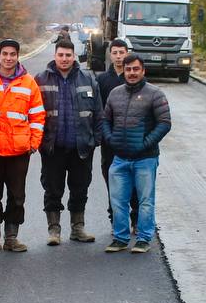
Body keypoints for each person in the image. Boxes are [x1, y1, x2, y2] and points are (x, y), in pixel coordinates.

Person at [0, 38, 45, 252]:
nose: (8, 58)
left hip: (18, 151)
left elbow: (37, 115)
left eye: (12, 54)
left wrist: (33, 143)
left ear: (17, 56)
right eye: (4, 54)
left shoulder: (28, 82)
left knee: (17, 197)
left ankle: (12, 238)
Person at [100, 54, 172, 254]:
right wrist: (111, 140)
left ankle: (143, 239)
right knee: (117, 200)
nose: (132, 73)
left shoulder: (155, 94)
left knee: (145, 201)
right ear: (123, 71)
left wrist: (144, 143)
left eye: (135, 69)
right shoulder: (115, 94)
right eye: (128, 69)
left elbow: (165, 123)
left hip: (145, 159)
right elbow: (105, 120)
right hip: (119, 158)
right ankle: (120, 238)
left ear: (143, 71)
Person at [34, 37, 99, 245]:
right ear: (54, 56)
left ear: (74, 56)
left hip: (81, 147)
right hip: (53, 148)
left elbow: (98, 112)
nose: (64, 59)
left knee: (80, 188)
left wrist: (95, 140)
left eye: (68, 55)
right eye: (60, 55)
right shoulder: (40, 79)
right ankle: (54, 230)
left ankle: (77, 228)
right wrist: (39, 142)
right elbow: (32, 113)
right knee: (52, 189)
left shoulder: (87, 78)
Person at [96, 38, 136, 223]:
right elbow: (98, 109)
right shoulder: (102, 80)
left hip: (132, 138)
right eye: (115, 53)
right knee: (111, 177)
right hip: (109, 139)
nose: (119, 56)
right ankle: (116, 217)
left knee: (134, 178)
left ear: (127, 53)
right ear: (110, 55)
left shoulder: (134, 78)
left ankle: (135, 217)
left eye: (122, 52)